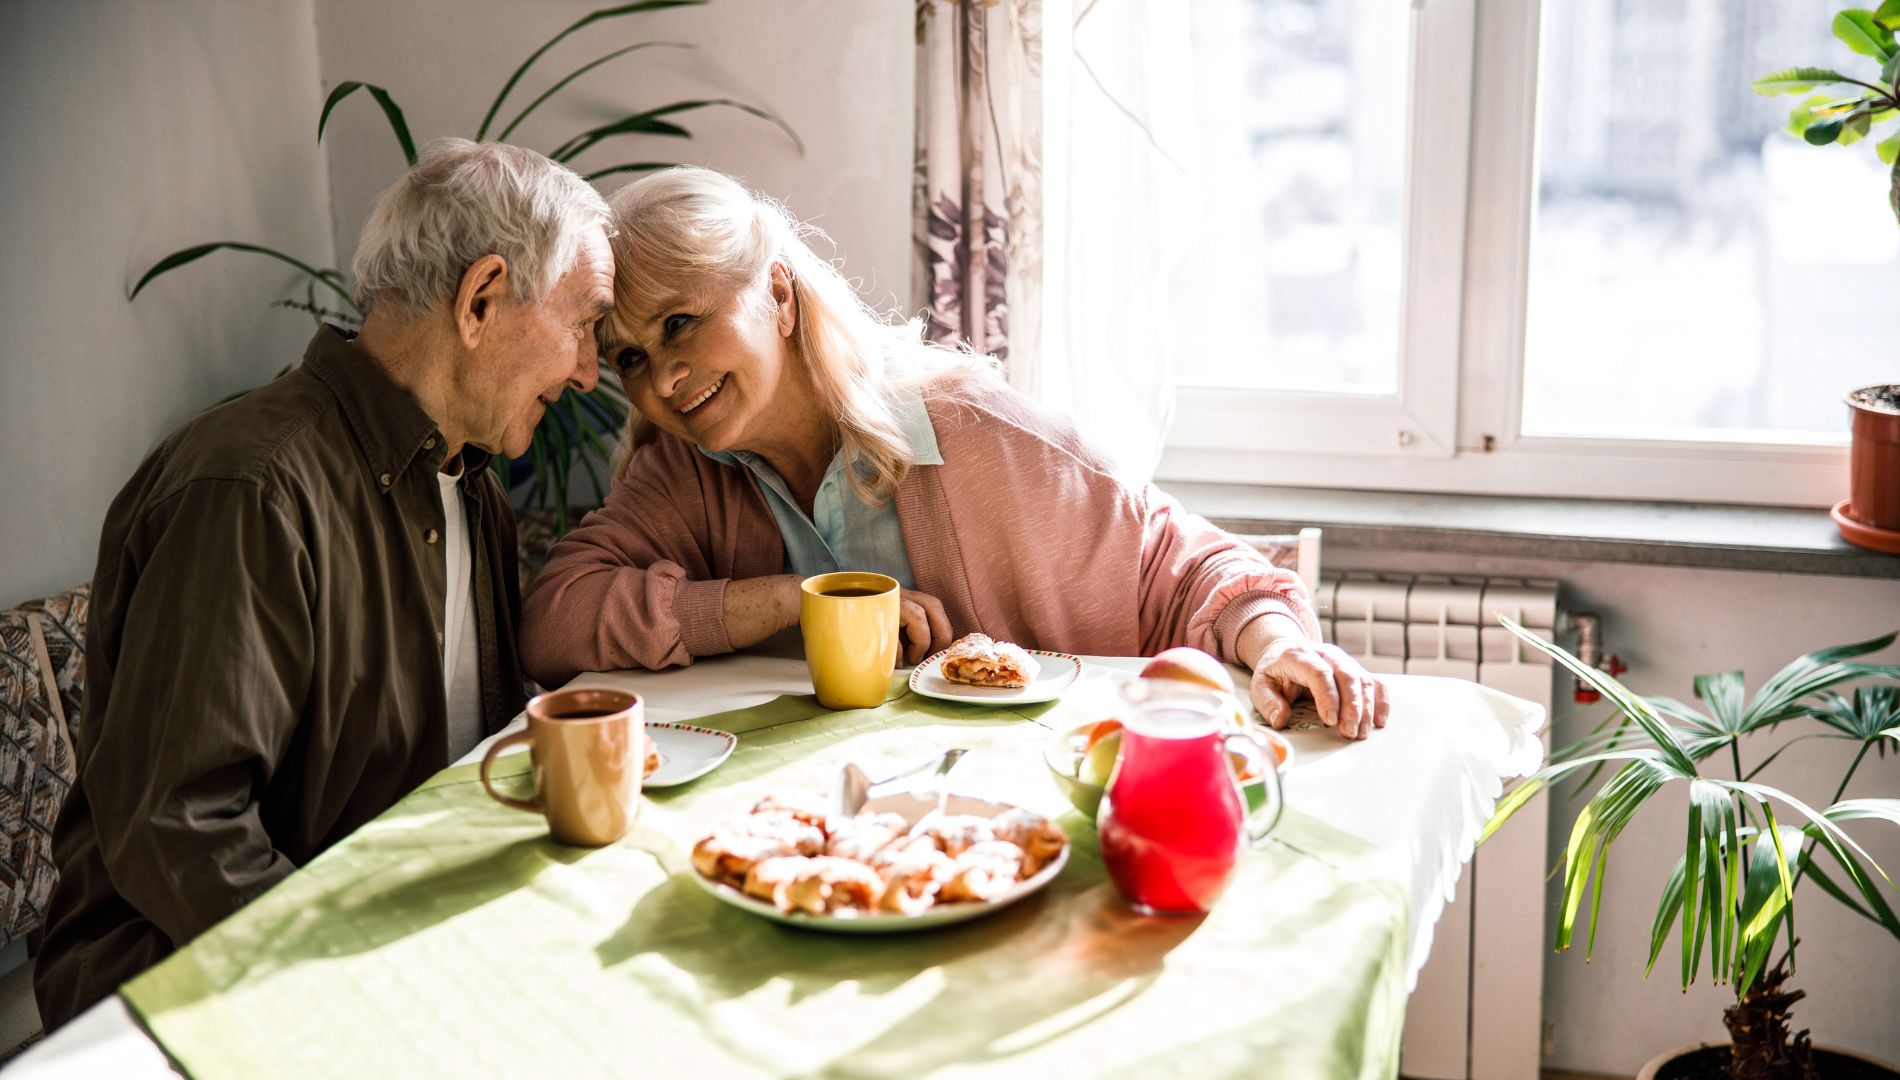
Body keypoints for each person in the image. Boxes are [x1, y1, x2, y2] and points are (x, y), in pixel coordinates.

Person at [34, 139, 615, 1028]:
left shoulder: (472, 482)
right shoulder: (249, 488)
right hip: (186, 981)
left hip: (383, 924)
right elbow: (180, 829)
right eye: (583, 323)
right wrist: (363, 986)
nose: (588, 370)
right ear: (482, 299)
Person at [519, 167, 1386, 742]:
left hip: (1035, 805)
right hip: (814, 820)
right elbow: (552, 623)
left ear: (776, 292)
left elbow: (1185, 564)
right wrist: (789, 603)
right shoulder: (681, 471)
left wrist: (1275, 647)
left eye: (681, 323)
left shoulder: (971, 430)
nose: (664, 379)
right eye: (630, 356)